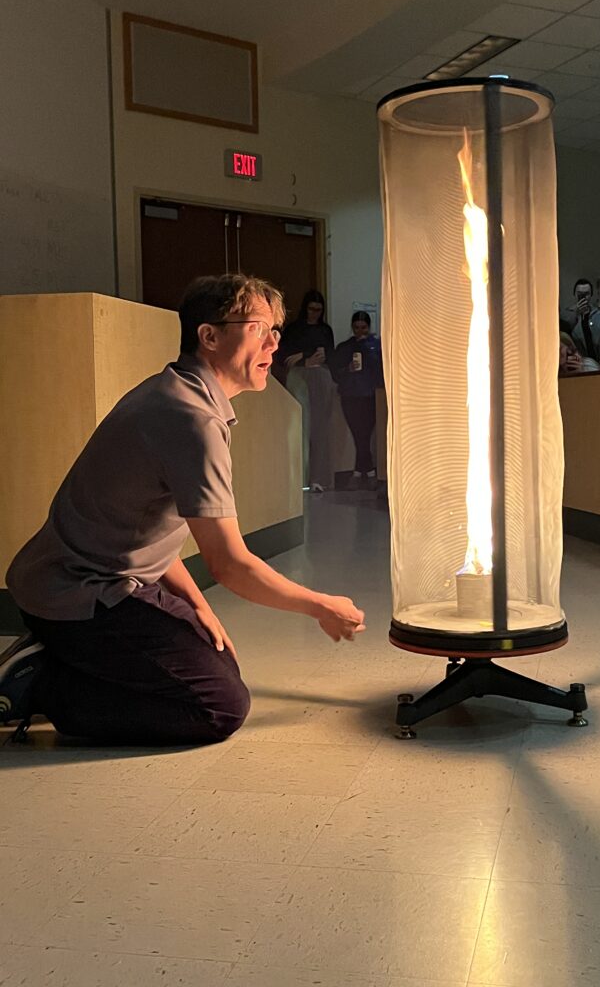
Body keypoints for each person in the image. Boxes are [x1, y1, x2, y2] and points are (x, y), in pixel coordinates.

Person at [0, 274, 365, 745]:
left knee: (217, 659)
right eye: (258, 328)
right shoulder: (191, 419)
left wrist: (198, 607)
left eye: (275, 330)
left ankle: (69, 656)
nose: (274, 343)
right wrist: (322, 606)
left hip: (81, 577)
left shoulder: (176, 392)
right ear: (208, 336)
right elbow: (230, 565)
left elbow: (148, 530)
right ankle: (41, 684)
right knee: (218, 707)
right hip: (79, 593)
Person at [277, 289, 336, 491]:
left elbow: (328, 353)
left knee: (321, 428)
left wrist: (304, 355)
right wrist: (305, 358)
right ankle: (300, 479)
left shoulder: (325, 329)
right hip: (299, 376)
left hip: (320, 375)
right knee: (300, 426)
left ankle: (319, 478)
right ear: (305, 308)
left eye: (318, 310)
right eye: (312, 309)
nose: (315, 314)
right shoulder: (294, 329)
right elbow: (283, 356)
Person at [333, 311, 384, 488]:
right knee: (358, 434)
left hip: (370, 395)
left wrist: (368, 349)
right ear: (352, 327)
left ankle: (361, 473)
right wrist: (348, 369)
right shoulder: (345, 347)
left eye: (363, 328)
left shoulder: (376, 346)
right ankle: (368, 472)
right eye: (356, 328)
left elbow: (381, 371)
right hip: (350, 395)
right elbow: (335, 372)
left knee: (364, 434)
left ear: (369, 327)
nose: (360, 331)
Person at [559, 279, 600, 370]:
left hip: (598, 363)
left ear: (591, 295)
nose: (583, 297)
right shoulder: (566, 315)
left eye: (586, 294)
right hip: (576, 362)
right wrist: (576, 313)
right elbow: (564, 334)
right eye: (580, 294)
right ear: (574, 294)